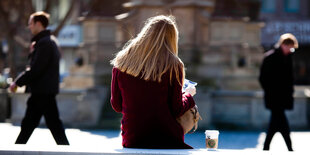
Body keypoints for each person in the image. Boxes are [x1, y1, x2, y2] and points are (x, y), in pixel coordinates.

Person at [110, 15, 196, 149]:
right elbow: (176, 109)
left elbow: (117, 105)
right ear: (172, 39)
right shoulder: (173, 64)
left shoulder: (121, 62)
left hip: (133, 138)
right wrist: (188, 95)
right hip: (167, 138)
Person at [9, 11, 69, 145]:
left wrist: (17, 82)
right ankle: (65, 149)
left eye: (31, 23)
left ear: (39, 24)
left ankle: (18, 149)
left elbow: (35, 69)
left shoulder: (44, 43)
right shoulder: (47, 42)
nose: (29, 26)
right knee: (47, 124)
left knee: (37, 124)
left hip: (42, 92)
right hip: (44, 92)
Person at [259, 33, 298, 151]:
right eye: (289, 47)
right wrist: (271, 91)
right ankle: (289, 148)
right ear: (283, 45)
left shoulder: (288, 57)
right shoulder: (270, 57)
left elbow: (290, 79)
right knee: (282, 123)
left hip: (283, 97)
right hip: (274, 97)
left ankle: (266, 147)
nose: (290, 50)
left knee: (275, 123)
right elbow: (263, 78)